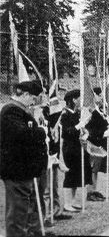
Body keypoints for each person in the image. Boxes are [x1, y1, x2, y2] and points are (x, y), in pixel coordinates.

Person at [0, 81, 48, 237]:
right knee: (17, 213)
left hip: (26, 170)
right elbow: (21, 135)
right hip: (17, 170)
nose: (34, 102)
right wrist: (41, 131)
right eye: (34, 98)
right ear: (26, 95)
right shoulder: (11, 111)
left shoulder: (21, 111)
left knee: (25, 208)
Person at [61, 89, 92, 212]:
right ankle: (67, 204)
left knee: (76, 176)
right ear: (73, 100)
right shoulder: (65, 115)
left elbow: (80, 130)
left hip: (78, 147)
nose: (81, 101)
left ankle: (73, 202)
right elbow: (66, 132)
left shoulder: (76, 113)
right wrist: (78, 126)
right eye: (79, 98)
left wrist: (85, 133)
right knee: (70, 175)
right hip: (70, 148)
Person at [86, 87, 109, 202]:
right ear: (94, 95)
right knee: (93, 169)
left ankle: (94, 190)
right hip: (93, 143)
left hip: (100, 143)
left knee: (97, 169)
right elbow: (89, 129)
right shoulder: (89, 110)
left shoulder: (99, 109)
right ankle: (90, 192)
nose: (101, 98)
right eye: (99, 95)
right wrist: (102, 133)